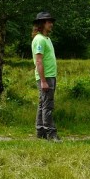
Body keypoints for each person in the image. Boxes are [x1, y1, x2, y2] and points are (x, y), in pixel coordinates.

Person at [32, 11, 61, 142]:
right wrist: (43, 81)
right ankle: (51, 134)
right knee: (48, 106)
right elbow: (39, 61)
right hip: (46, 77)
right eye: (49, 22)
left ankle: (40, 131)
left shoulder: (46, 39)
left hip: (50, 76)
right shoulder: (39, 40)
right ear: (42, 23)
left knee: (42, 104)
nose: (51, 24)